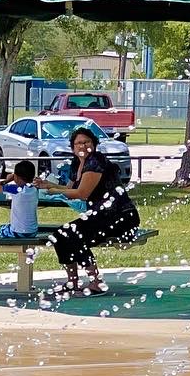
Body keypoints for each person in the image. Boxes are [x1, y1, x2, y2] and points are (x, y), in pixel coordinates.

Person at [48, 126, 140, 295]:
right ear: (73, 147)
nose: (82, 146)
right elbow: (69, 189)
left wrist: (54, 191)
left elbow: (82, 193)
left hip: (120, 216)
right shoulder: (77, 163)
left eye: (86, 142)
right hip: (101, 216)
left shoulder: (95, 161)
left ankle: (95, 282)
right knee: (60, 234)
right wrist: (48, 186)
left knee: (73, 234)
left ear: (94, 144)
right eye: (78, 143)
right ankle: (72, 282)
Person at [0, 159, 39, 268]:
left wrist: (7, 180)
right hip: (33, 232)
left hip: (18, 233)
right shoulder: (35, 188)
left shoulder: (15, 189)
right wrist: (15, 177)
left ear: (16, 177)